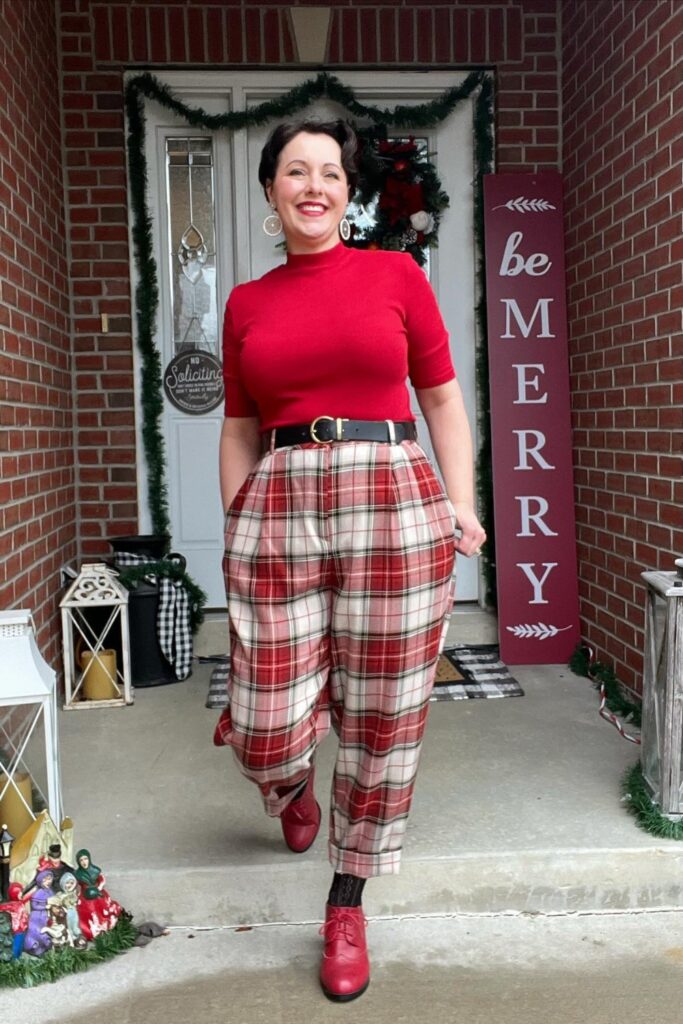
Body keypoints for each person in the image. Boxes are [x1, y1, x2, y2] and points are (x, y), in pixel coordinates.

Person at [215, 118, 486, 1002]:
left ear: (347, 191)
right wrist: (236, 521)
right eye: (295, 171)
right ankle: (287, 783)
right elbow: (238, 425)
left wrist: (462, 504)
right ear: (270, 192)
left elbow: (442, 399)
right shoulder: (247, 303)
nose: (313, 185)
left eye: (329, 172)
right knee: (258, 719)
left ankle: (346, 900)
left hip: (393, 501)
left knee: (381, 716)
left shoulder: (393, 275)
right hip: (282, 500)